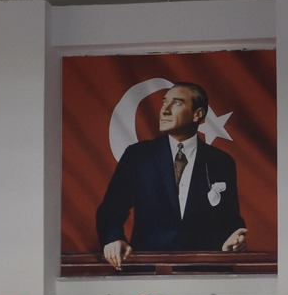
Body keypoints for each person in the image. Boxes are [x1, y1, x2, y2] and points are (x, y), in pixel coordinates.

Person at [95, 81, 247, 268]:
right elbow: (111, 209)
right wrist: (113, 239)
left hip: (204, 270)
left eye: (176, 103)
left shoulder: (221, 161)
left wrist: (234, 239)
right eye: (164, 102)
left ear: (197, 114)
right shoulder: (138, 156)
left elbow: (230, 220)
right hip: (148, 269)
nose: (164, 110)